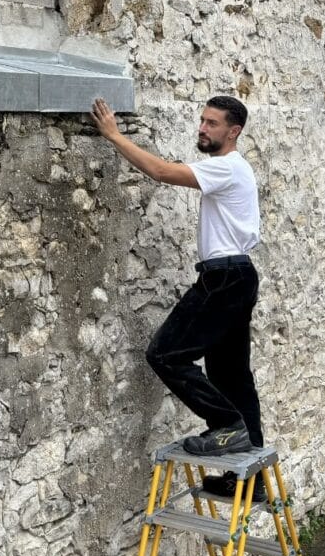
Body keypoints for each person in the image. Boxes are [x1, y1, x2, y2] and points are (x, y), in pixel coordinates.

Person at [90, 95, 264, 499]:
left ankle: (228, 427)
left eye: (212, 123)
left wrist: (114, 136)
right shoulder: (233, 169)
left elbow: (162, 172)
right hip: (235, 276)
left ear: (233, 132)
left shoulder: (227, 167)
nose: (202, 128)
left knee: (165, 354)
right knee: (232, 376)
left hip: (224, 278)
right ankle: (250, 482)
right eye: (202, 120)